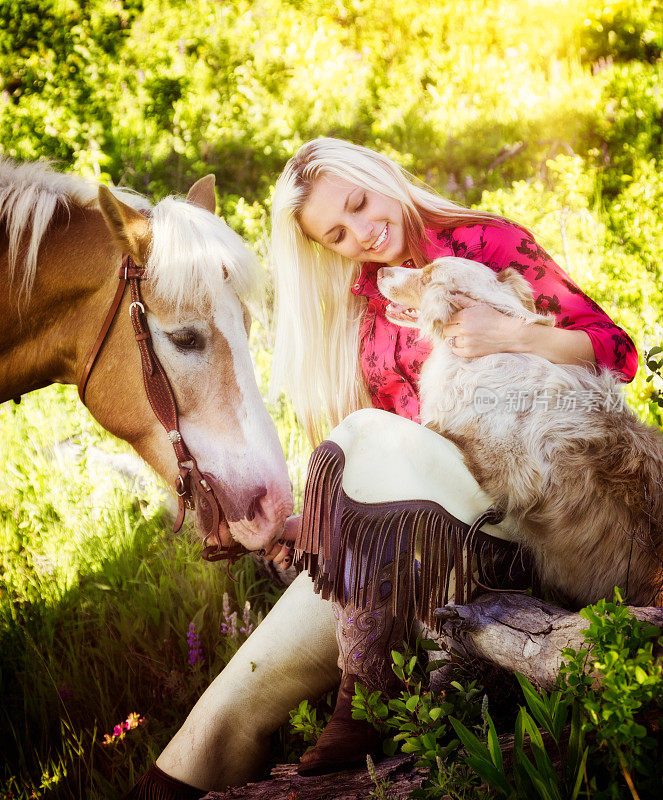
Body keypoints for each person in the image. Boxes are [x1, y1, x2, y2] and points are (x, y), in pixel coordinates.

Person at [126, 138, 637, 796]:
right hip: (416, 543)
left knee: (366, 430)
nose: (363, 233)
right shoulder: (360, 305)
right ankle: (169, 784)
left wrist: (512, 335)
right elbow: (373, 460)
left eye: (361, 204)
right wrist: (304, 523)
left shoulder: (488, 244)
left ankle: (370, 684)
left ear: (378, 176)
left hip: (524, 503)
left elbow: (615, 351)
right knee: (237, 700)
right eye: (337, 234)